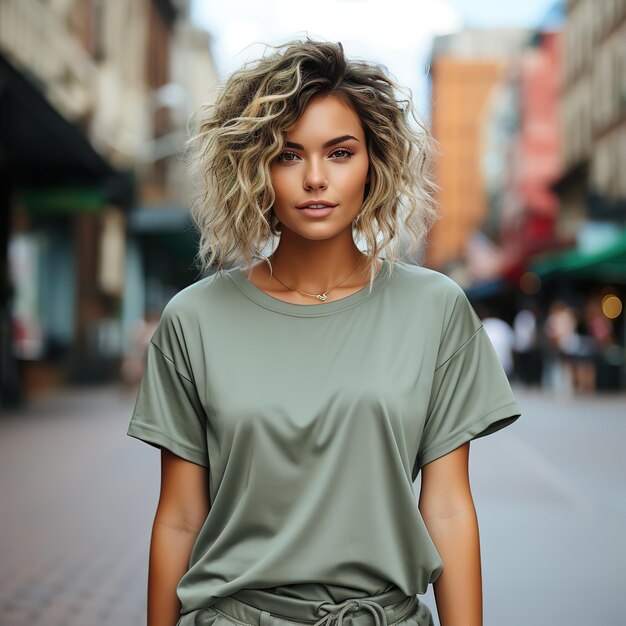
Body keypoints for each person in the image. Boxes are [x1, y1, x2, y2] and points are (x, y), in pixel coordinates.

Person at [126, 39, 522, 626]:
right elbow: (181, 516)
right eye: (288, 155)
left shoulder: (435, 309)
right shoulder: (194, 319)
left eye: (339, 153)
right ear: (255, 167)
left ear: (374, 162)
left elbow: (448, 509)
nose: (315, 178)